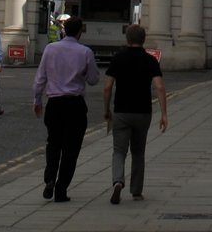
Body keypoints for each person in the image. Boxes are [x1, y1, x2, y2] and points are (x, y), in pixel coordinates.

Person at [32, 14, 100, 202]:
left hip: (54, 103)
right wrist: (83, 74)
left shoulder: (50, 49)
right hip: (75, 104)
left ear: (64, 30)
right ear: (79, 33)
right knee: (71, 149)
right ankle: (61, 190)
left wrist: (37, 101)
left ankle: (50, 178)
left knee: (53, 143)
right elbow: (94, 79)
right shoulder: (85, 52)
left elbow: (40, 79)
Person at [103, 24, 168, 204]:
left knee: (118, 151)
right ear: (143, 39)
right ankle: (136, 191)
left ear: (127, 39)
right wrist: (164, 114)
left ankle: (118, 181)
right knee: (138, 152)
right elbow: (160, 87)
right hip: (142, 112)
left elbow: (107, 87)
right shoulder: (150, 61)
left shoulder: (118, 58)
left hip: (121, 111)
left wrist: (106, 109)